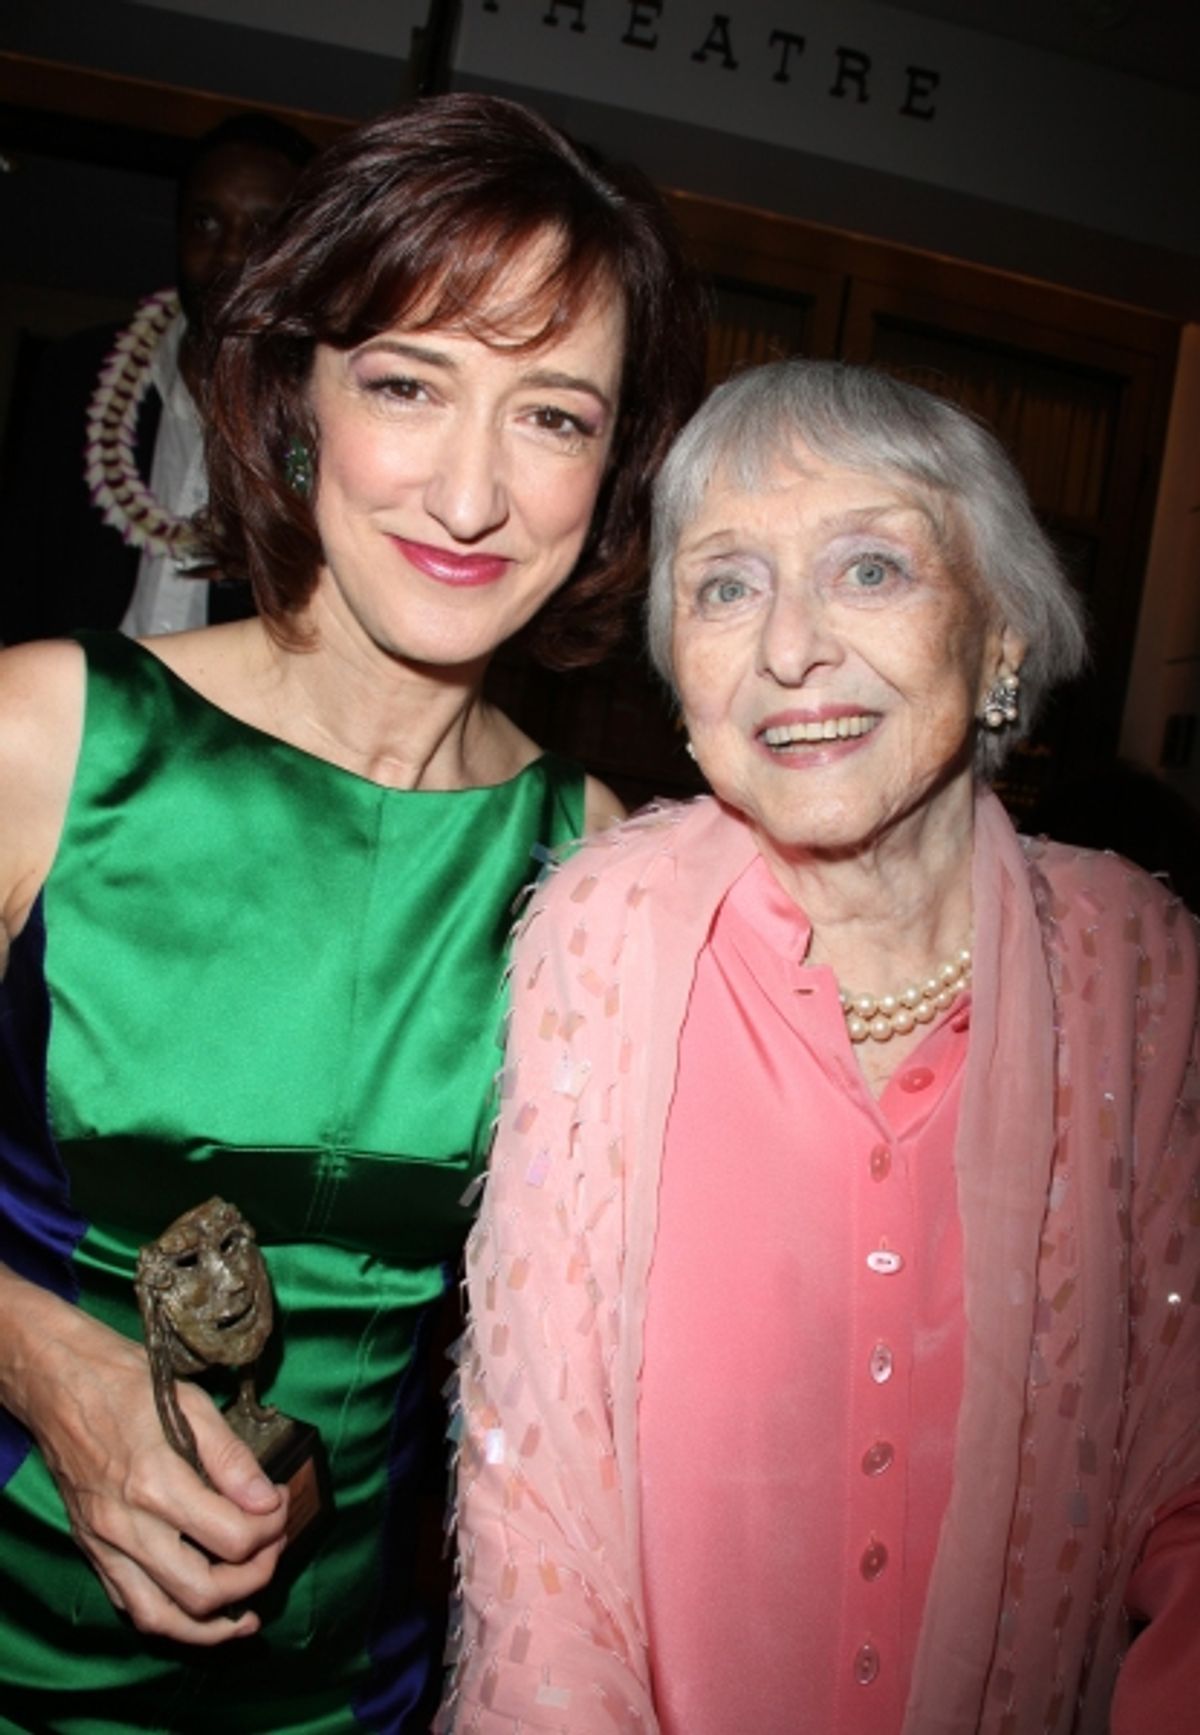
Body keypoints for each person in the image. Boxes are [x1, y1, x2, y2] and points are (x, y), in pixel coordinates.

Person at [0, 94, 704, 1732]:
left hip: (358, 1699)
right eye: (408, 384)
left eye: (551, 417)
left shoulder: (592, 864)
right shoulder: (44, 736)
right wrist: (41, 1359)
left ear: (610, 478)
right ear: (293, 400)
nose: (472, 493)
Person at [445, 362, 1200, 1734]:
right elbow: (536, 1507)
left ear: (1003, 635)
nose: (789, 648)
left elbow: (1181, 1477)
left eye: (869, 567)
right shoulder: (600, 934)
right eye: (726, 585)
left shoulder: (1136, 961)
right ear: (679, 671)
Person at [0, 112, 313, 645]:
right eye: (205, 223)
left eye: (261, 230)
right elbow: (20, 552)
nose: (229, 255)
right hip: (78, 698)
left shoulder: (322, 410)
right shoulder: (77, 373)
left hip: (236, 715)